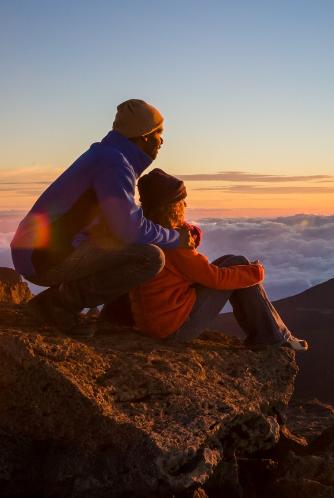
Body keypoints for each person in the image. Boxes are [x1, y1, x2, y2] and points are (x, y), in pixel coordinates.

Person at [11, 99, 193, 337]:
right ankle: (57, 305)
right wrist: (176, 237)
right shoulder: (114, 163)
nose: (162, 141)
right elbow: (130, 228)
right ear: (145, 136)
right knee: (149, 257)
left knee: (126, 243)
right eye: (159, 133)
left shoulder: (107, 156)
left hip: (36, 250)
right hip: (42, 257)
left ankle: (63, 303)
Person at [129, 168, 308, 351]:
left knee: (235, 261)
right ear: (171, 207)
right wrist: (256, 272)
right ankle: (274, 337)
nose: (186, 205)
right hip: (174, 328)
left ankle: (273, 334)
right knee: (241, 269)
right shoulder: (174, 244)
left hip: (154, 322)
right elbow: (215, 279)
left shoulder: (150, 233)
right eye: (181, 200)